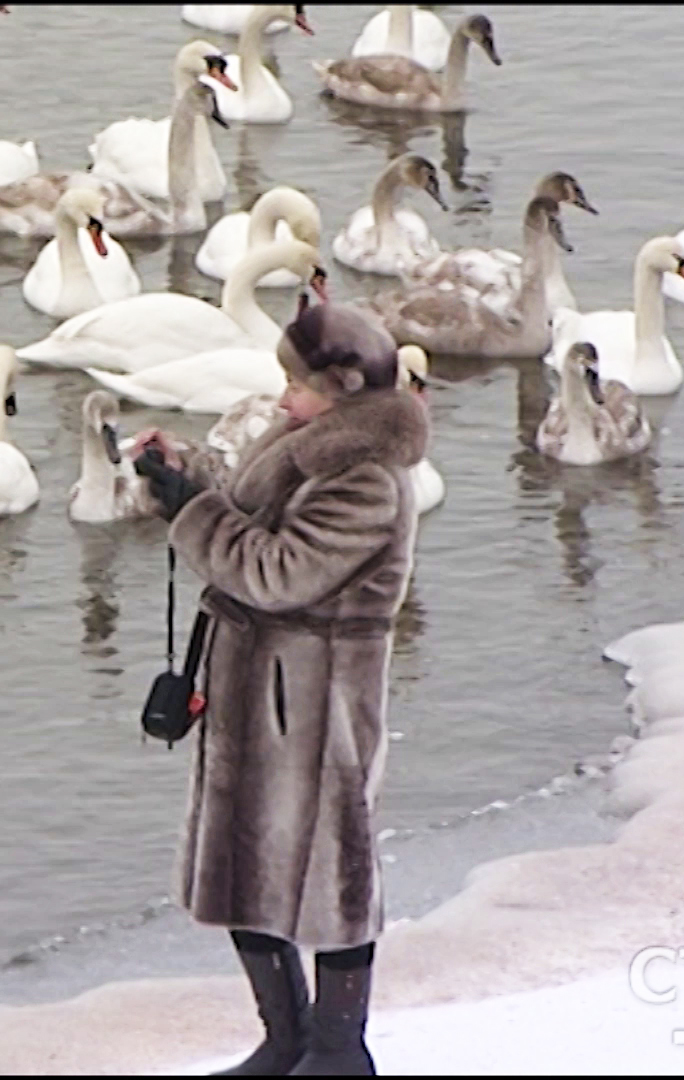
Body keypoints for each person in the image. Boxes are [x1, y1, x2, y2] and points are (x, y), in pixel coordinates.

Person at [132, 302, 429, 1076]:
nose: (280, 399)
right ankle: (285, 1037)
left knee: (332, 875)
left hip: (316, 705)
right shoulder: (306, 445)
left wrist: (191, 514)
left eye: (293, 384)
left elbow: (276, 572)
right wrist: (185, 482)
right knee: (243, 868)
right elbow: (247, 520)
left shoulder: (367, 481)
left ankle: (337, 1049)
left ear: (340, 387)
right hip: (255, 690)